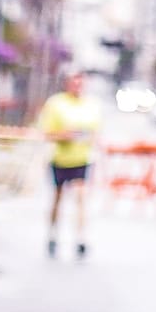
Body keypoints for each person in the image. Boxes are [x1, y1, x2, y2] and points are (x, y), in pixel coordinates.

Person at [35, 69, 100, 258]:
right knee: (58, 198)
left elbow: (95, 132)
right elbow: (46, 133)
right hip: (60, 158)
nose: (78, 87)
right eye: (74, 82)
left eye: (81, 83)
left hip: (82, 159)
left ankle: (80, 239)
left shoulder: (91, 105)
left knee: (80, 197)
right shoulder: (56, 104)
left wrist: (89, 138)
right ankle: (53, 234)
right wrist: (64, 135)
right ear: (67, 84)